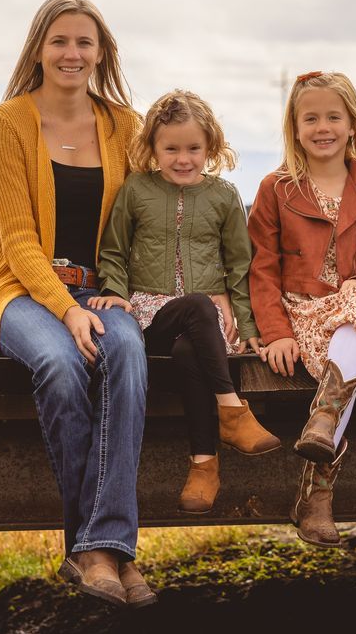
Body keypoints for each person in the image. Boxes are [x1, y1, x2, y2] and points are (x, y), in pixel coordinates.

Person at [0, 0, 155, 609]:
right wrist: (64, 308)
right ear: (39, 48)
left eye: (84, 42)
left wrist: (109, 297)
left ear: (101, 53)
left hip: (102, 289)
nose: (72, 53)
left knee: (126, 354)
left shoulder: (125, 125)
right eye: (59, 41)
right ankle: (98, 552)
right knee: (63, 365)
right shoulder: (8, 121)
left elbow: (145, 218)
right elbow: (17, 238)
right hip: (15, 288)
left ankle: (102, 546)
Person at [92, 90, 279, 515]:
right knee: (196, 306)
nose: (183, 158)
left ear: (210, 147)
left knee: (188, 348)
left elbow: (240, 265)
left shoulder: (223, 196)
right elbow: (113, 252)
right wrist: (115, 295)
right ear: (152, 148)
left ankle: (204, 465)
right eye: (171, 148)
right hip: (149, 315)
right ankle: (232, 411)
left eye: (194, 148)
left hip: (206, 329)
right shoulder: (136, 189)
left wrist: (249, 328)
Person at [248, 71, 356, 547]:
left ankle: (323, 429)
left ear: (352, 124)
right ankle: (316, 491)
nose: (323, 127)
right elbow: (261, 268)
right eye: (311, 118)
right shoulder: (276, 189)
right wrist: (276, 331)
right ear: (295, 128)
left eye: (333, 117)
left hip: (354, 313)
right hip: (301, 313)